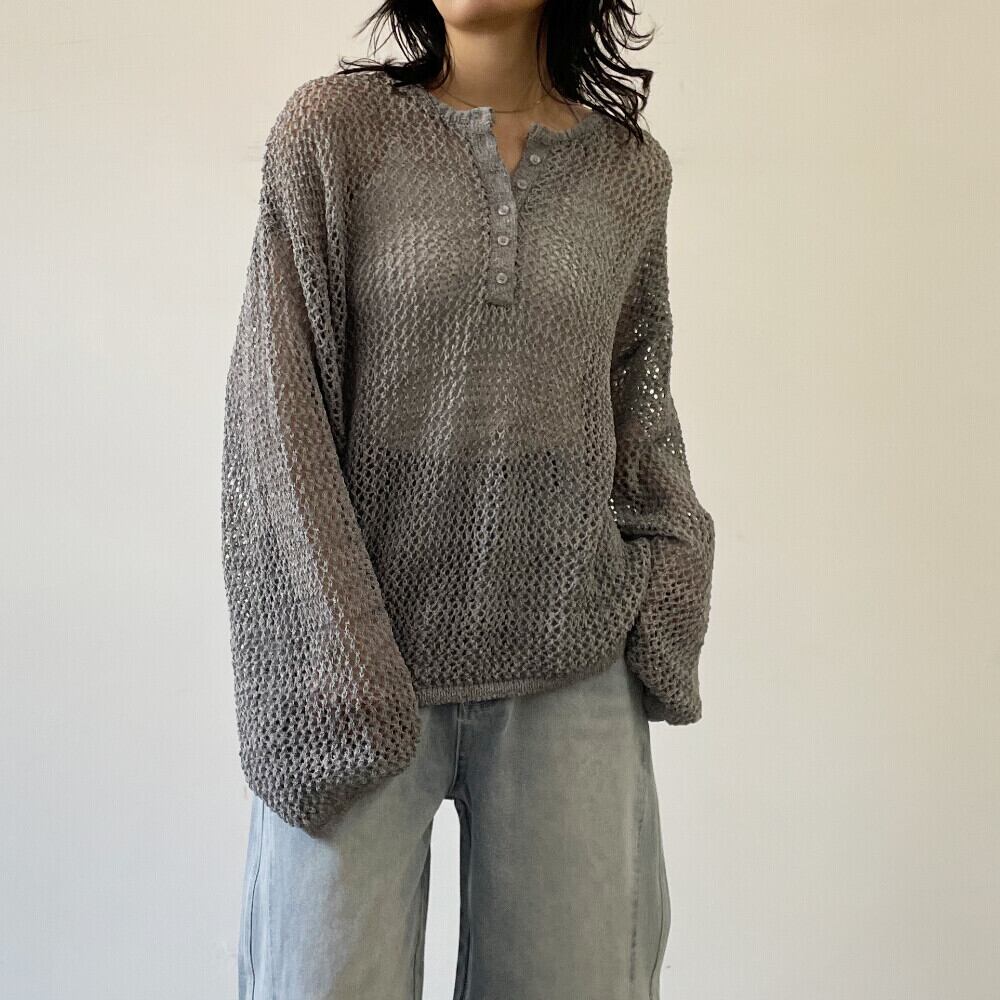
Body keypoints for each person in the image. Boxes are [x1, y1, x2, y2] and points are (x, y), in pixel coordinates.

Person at [221, 2, 716, 997]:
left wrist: (670, 576)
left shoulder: (628, 173)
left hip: (571, 660)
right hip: (352, 673)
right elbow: (276, 410)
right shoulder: (332, 133)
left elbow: (638, 400)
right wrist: (338, 652)